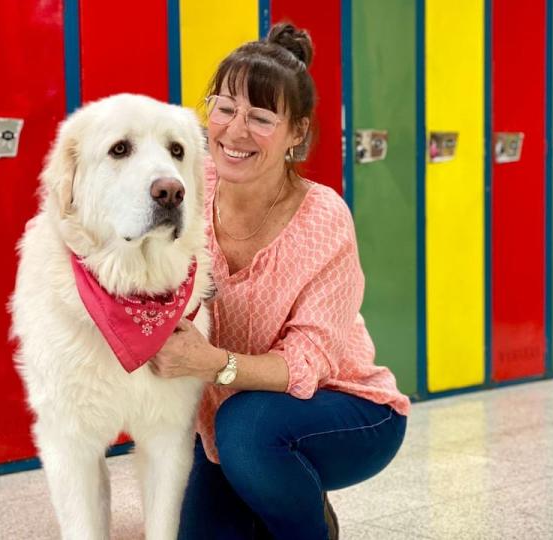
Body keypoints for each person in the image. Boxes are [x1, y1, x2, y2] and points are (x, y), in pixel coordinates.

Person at [149, 22, 411, 540]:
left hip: (343, 407)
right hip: (223, 420)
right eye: (224, 108)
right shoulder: (186, 191)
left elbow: (307, 364)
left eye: (262, 117)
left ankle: (309, 526)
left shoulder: (323, 218)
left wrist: (211, 363)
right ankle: (276, 499)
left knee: (249, 427)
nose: (236, 130)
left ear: (297, 133)